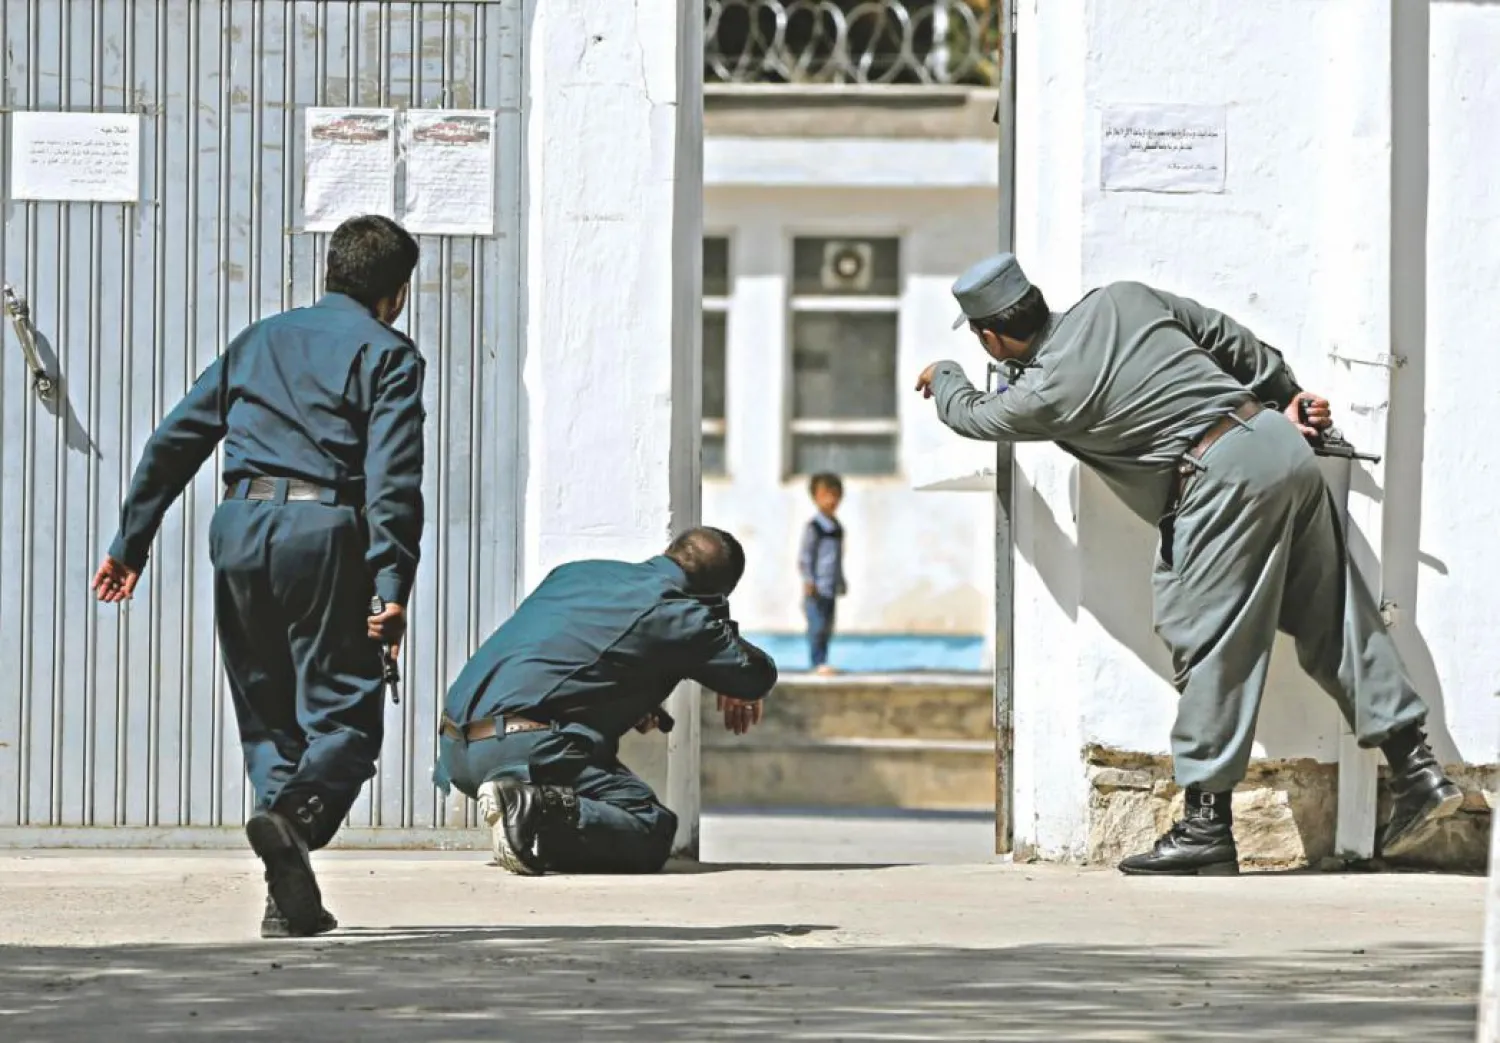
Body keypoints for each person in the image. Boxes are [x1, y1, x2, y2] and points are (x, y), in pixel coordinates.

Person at [915, 252, 1462, 876]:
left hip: (1215, 480)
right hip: (1277, 444)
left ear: (991, 337)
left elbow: (973, 416)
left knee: (1207, 638)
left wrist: (948, 373)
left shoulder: (1045, 394)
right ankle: (1418, 772)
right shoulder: (1121, 297)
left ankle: (1206, 825)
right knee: (1332, 613)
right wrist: (1288, 396)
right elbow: (1228, 338)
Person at [92, 215, 426, 934]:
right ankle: (292, 819)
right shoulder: (390, 354)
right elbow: (392, 481)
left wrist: (132, 541)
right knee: (344, 714)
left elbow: (176, 437)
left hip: (239, 528)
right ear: (396, 294)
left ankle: (287, 898)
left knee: (268, 711)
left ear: (329, 272)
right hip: (323, 532)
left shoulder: (261, 339)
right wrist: (392, 586)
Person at [436, 527, 778, 876]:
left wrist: (630, 695)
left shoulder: (575, 571)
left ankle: (528, 821)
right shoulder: (683, 615)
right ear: (716, 593)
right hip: (520, 751)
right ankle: (534, 807)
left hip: (456, 749)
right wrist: (723, 630)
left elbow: (561, 658)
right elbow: (756, 676)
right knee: (651, 827)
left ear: (669, 551)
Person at [799, 472, 848, 676]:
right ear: (815, 497)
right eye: (826, 495)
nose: (831, 500)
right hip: (816, 588)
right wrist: (809, 580)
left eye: (835, 495)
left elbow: (837, 558)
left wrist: (841, 580)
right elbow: (806, 556)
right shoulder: (815, 527)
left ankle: (824, 660)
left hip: (830, 587)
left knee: (828, 627)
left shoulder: (837, 527)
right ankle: (816, 661)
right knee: (817, 626)